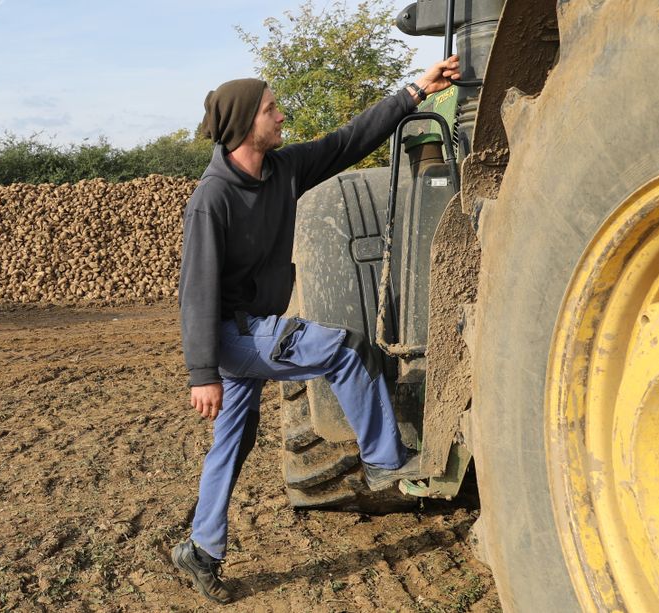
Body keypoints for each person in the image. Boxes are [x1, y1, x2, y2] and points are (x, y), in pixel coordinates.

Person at [172, 56, 461, 604]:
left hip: (252, 330)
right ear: (242, 126)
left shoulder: (282, 170)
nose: (281, 116)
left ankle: (201, 550)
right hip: (232, 334)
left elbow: (348, 141)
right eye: (270, 109)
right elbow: (196, 292)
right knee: (345, 350)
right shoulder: (212, 199)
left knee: (232, 442)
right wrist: (202, 372)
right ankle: (384, 461)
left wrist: (414, 92)